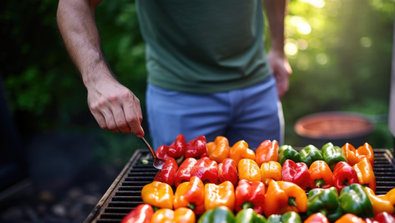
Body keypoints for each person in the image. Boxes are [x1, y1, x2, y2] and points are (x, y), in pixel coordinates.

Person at [56, 0, 292, 150]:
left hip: (258, 87)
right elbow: (74, 3)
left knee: (269, 193)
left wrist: (279, 49)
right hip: (180, 97)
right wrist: (97, 79)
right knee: (184, 211)